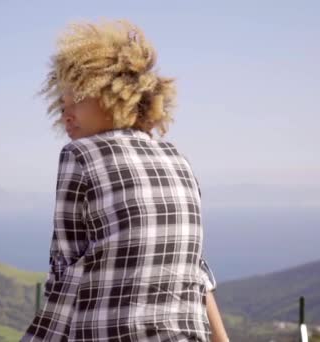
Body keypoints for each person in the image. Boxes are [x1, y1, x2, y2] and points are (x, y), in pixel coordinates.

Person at [21, 19, 229, 342]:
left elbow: (64, 277)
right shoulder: (179, 161)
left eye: (77, 99)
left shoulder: (80, 156)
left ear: (112, 93)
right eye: (62, 105)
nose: (66, 114)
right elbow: (195, 272)